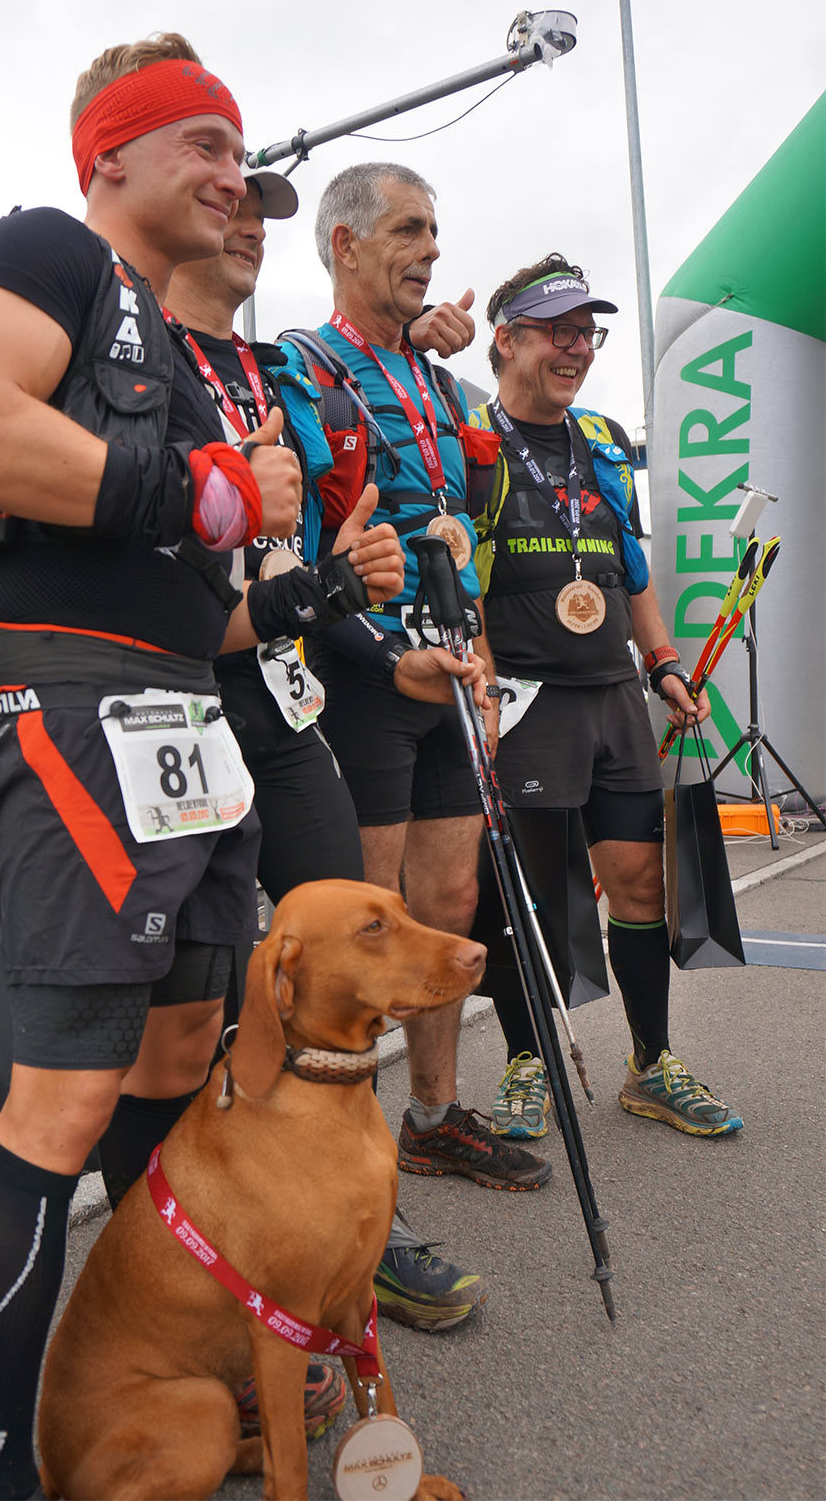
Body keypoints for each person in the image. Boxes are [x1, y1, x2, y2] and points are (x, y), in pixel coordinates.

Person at [0, 34, 390, 1501]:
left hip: (187, 722)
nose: (234, 175)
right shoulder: (42, 249)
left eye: (240, 149)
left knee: (180, 1063)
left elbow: (198, 611)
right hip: (74, 714)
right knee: (58, 1105)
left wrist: (309, 591)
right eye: (205, 144)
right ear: (111, 153)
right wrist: (200, 484)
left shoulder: (176, 359)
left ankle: (172, 1346)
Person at [162, 168, 489, 1333]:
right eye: (409, 229)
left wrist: (340, 585)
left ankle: (372, 1199)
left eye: (261, 214)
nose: (247, 227)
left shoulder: (271, 366)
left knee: (368, 943)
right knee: (206, 1007)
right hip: (193, 693)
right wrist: (345, 611)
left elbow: (302, 541)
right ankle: (216, 1242)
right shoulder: (219, 359)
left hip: (284, 690)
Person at [278, 162, 553, 1194]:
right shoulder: (303, 365)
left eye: (434, 230)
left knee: (446, 902)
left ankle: (432, 1117)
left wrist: (481, 662)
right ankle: (333, 1152)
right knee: (363, 922)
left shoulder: (440, 382)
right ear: (344, 244)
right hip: (363, 680)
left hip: (452, 674)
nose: (431, 249)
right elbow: (298, 558)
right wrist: (390, 658)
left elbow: (461, 536)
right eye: (407, 230)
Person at [468, 252, 744, 1140]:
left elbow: (631, 573)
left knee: (638, 885)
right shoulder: (473, 446)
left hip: (614, 697)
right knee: (539, 901)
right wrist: (481, 686)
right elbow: (462, 586)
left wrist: (663, 663)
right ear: (505, 340)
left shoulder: (604, 438)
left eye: (587, 333)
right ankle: (528, 1061)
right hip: (527, 706)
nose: (577, 347)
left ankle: (650, 1063)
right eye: (558, 330)